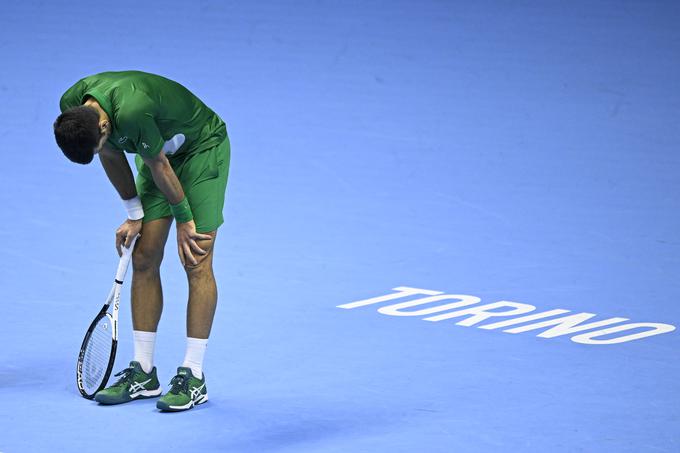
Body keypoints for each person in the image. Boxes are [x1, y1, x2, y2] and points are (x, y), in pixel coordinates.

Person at [54, 70, 230, 412]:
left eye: (102, 141)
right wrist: (134, 213)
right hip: (156, 153)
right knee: (144, 256)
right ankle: (144, 373)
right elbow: (110, 155)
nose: (103, 147)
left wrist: (185, 220)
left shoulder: (132, 112)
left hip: (201, 149)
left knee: (196, 257)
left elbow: (159, 164)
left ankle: (193, 375)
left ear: (104, 127)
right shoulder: (73, 109)